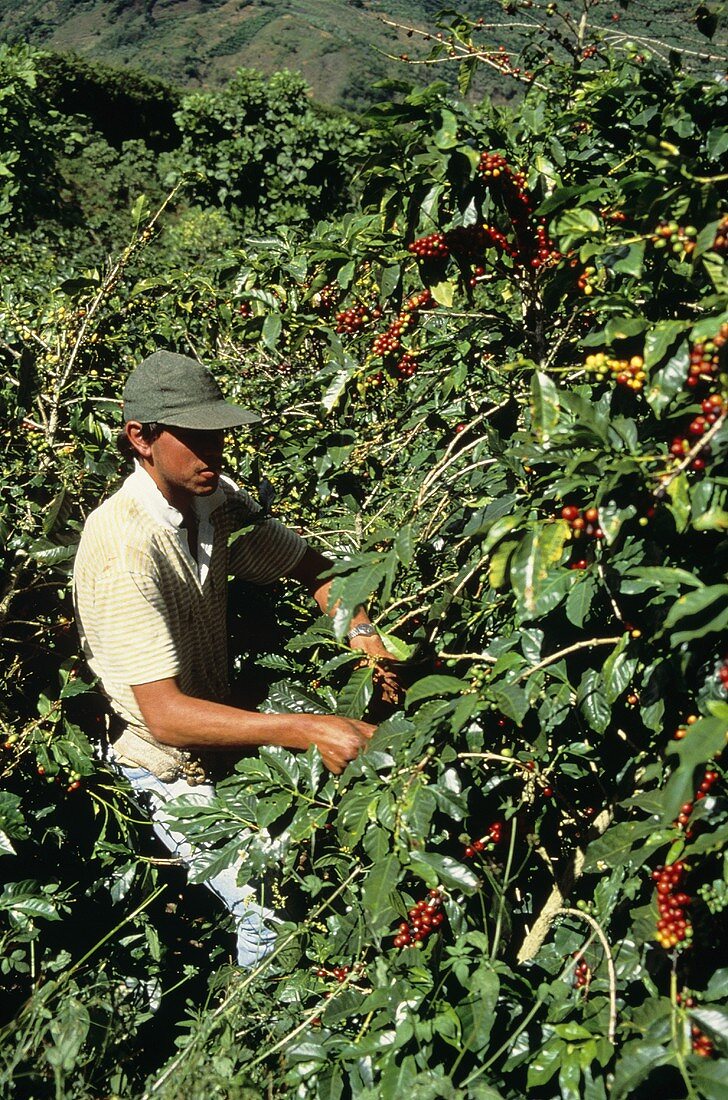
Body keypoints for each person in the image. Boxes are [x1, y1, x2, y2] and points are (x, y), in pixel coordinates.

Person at [73, 350, 401, 966]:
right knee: (269, 920)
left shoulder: (214, 503)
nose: (213, 452)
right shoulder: (122, 549)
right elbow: (164, 716)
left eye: (217, 433)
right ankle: (251, 1044)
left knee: (312, 883)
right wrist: (307, 729)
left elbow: (315, 570)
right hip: (160, 765)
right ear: (139, 439)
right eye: (193, 437)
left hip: (219, 743)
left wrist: (369, 649)